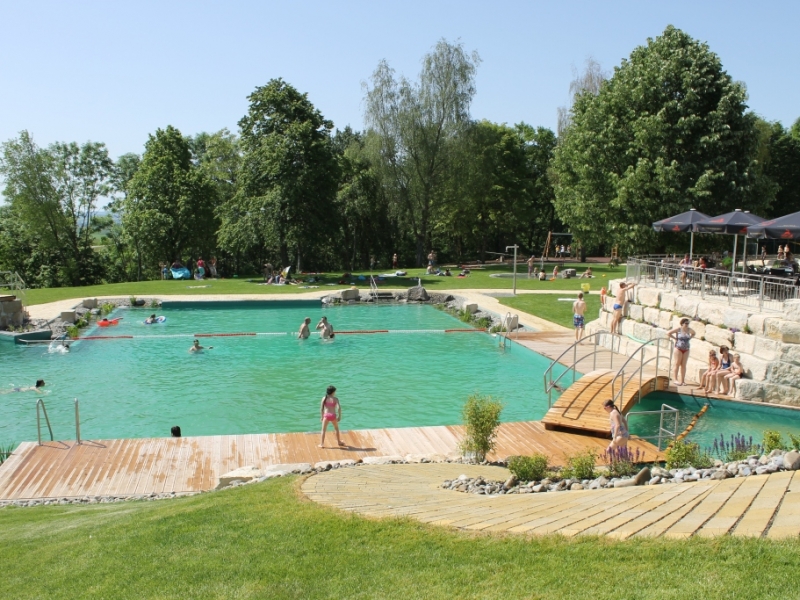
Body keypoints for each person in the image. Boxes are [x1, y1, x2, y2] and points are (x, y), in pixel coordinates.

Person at [667, 318, 696, 386]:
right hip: (678, 348)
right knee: (677, 363)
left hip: (686, 349)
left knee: (684, 364)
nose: (687, 325)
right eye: (686, 323)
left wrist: (690, 338)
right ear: (682, 323)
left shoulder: (689, 330)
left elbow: (694, 333)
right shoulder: (679, 329)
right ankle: (675, 379)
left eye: (688, 323)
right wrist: (675, 338)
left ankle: (682, 380)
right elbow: (668, 333)